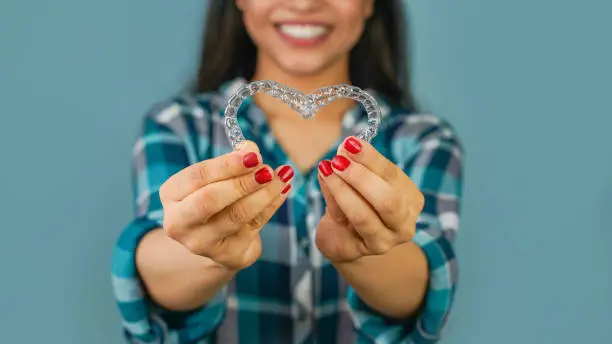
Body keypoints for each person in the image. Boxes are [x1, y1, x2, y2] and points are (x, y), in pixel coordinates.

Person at [111, 1, 463, 343]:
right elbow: (155, 267)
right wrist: (206, 250)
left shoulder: (423, 140)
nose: (304, 3)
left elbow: (423, 283)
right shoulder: (178, 126)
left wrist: (368, 249)